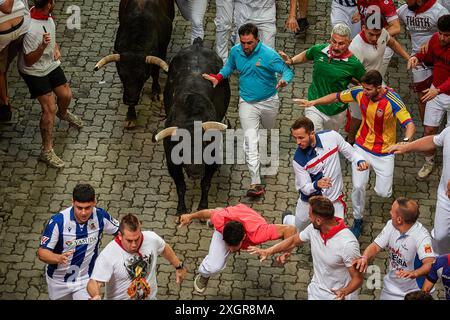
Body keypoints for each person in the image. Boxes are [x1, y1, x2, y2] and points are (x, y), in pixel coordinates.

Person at [294, 70, 416, 239]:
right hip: (362, 147)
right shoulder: (359, 92)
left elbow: (409, 124)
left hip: (385, 152)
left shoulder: (393, 101)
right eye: (363, 88)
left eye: (368, 89)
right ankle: (358, 219)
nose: (364, 92)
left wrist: (406, 140)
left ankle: (378, 186)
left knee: (384, 192)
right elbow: (336, 96)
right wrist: (313, 102)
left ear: (379, 88)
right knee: (358, 187)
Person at [203, 23, 294, 197]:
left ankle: (266, 145)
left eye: (249, 43)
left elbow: (286, 70)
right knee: (250, 142)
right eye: (243, 42)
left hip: (269, 101)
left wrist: (284, 81)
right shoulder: (236, 51)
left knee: (267, 131)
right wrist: (218, 77)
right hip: (247, 103)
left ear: (257, 40)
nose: (246, 46)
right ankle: (256, 182)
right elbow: (229, 67)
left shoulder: (269, 55)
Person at [248, 196, 363, 300]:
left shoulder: (348, 244)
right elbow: (293, 241)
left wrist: (344, 292)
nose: (309, 217)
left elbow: (357, 279)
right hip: (316, 291)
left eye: (310, 215)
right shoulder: (314, 229)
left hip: (338, 296)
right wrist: (268, 251)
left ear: (318, 220)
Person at [18, 0, 83, 168]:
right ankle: (46, 151)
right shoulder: (31, 29)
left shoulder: (46, 16)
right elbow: (29, 60)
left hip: (50, 63)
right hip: (35, 71)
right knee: (49, 108)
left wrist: (54, 46)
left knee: (66, 95)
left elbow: (49, 34)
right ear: (49, 4)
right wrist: (42, 47)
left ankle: (63, 113)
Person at [178, 203, 297, 294]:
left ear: (244, 237)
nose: (230, 249)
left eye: (234, 246)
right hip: (226, 216)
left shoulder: (258, 233)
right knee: (214, 266)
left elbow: (289, 230)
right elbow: (209, 212)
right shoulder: (220, 221)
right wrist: (190, 216)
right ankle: (204, 275)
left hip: (249, 220)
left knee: (295, 228)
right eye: (227, 244)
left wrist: (286, 252)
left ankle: (288, 217)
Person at [284, 117, 368, 232]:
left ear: (312, 133)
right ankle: (288, 219)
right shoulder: (298, 160)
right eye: (295, 138)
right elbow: (304, 188)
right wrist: (316, 185)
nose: (297, 142)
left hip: (333, 199)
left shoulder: (332, 136)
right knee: (299, 228)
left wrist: (359, 160)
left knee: (336, 231)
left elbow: (349, 151)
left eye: (301, 138)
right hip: (309, 202)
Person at [37, 184, 119, 300]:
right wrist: (58, 258)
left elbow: (121, 233)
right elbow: (42, 253)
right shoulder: (58, 222)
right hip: (59, 282)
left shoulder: (100, 216)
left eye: (88, 208)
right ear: (72, 202)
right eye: (79, 208)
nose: (84, 213)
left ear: (94, 202)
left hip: (85, 279)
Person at [279, 23, 366, 132]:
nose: (336, 47)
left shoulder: (354, 64)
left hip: (337, 111)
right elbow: (306, 55)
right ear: (330, 38)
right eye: (334, 41)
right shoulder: (319, 50)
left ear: (349, 43)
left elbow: (365, 82)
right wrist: (291, 61)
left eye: (341, 44)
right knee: (314, 137)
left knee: (328, 142)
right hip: (314, 105)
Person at [87, 213, 186, 300]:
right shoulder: (109, 254)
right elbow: (94, 282)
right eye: (129, 240)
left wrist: (178, 266)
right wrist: (96, 295)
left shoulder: (151, 238)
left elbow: (164, 248)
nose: (134, 244)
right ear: (120, 236)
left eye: (137, 239)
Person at [352, 198, 436, 300]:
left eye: (392, 210)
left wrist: (414, 273)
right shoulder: (390, 226)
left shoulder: (422, 237)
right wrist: (364, 257)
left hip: (414, 292)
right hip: (391, 287)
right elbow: (375, 246)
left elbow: (430, 264)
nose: (390, 212)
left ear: (399, 220)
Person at [347, 13, 410, 144]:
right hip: (361, 86)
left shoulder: (382, 33)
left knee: (389, 107)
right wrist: (369, 89)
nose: (375, 38)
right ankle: (350, 140)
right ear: (363, 28)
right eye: (371, 34)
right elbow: (350, 76)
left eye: (378, 34)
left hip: (377, 84)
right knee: (358, 116)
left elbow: (392, 42)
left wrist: (408, 58)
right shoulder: (355, 48)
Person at [389, 126, 450, 254]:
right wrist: (407, 147)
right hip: (446, 197)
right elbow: (434, 140)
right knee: (440, 236)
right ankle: (440, 264)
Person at [407, 14, 450, 180]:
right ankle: (429, 161)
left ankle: (447, 166)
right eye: (441, 33)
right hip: (436, 92)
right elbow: (426, 56)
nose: (442, 38)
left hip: (438, 91)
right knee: (428, 130)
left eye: (447, 35)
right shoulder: (434, 40)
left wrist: (438, 90)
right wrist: (416, 57)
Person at [398, 0, 448, 128]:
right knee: (422, 96)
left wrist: (437, 90)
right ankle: (428, 127)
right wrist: (415, 56)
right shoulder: (404, 10)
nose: (405, 1)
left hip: (440, 61)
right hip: (423, 60)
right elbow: (390, 20)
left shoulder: (439, 11)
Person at [0, 0, 29, 122]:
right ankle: (4, 102)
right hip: (17, 27)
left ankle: (4, 103)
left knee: (2, 70)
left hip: (17, 29)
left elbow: (8, 7)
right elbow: (7, 7)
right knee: (2, 70)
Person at [355, 0, 401, 76]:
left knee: (374, 78)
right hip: (367, 43)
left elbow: (396, 27)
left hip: (384, 47)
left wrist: (376, 35)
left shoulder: (385, 3)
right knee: (364, 75)